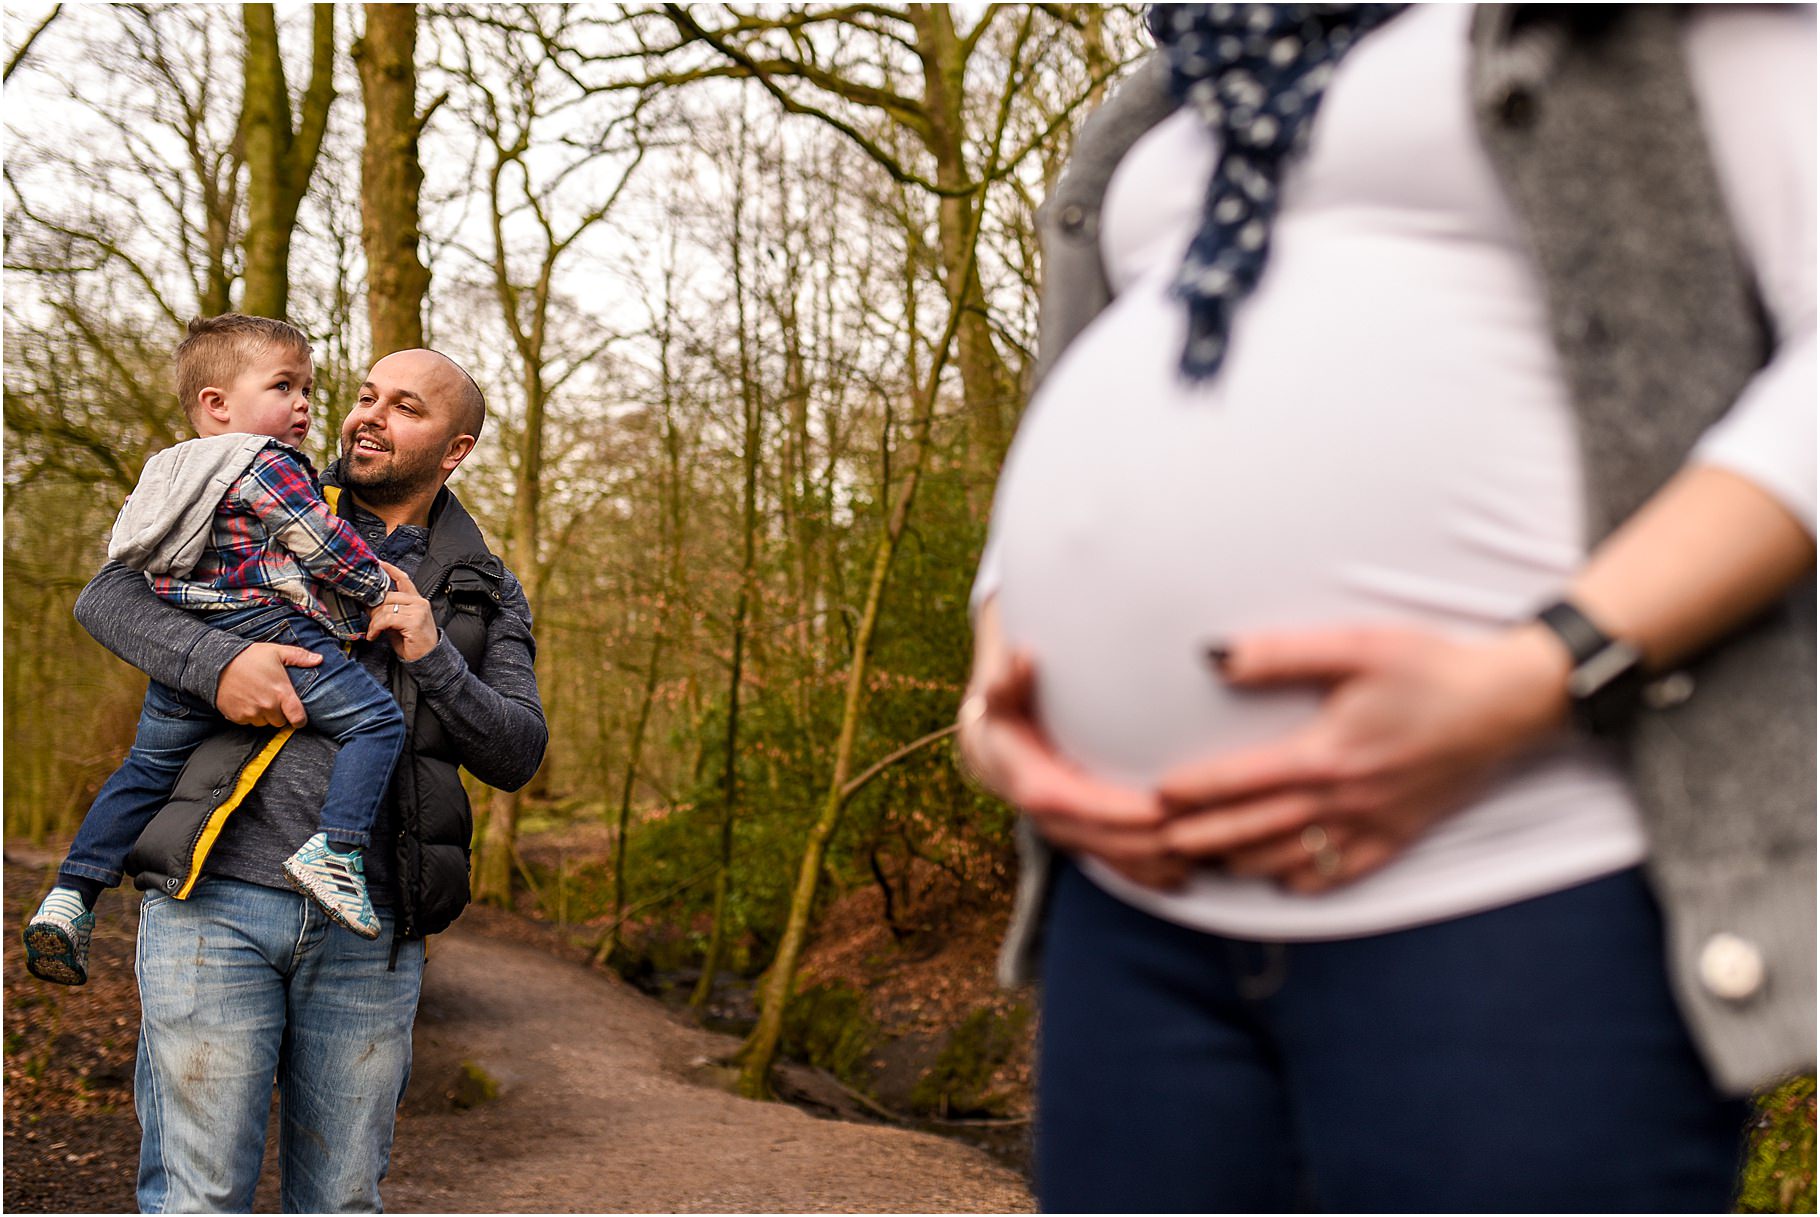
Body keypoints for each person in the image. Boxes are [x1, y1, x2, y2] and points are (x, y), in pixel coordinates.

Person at [958, 4, 1814, 1212]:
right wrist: (1001, 681)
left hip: (1517, 878)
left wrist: (1537, 668)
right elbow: (1087, 388)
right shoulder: (1180, 90)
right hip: (1132, 919)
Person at [73, 345, 547, 1212]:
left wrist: (435, 656)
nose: (367, 413)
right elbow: (106, 597)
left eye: (405, 406)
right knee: (197, 1194)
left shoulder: (485, 589)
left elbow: (517, 751)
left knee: (339, 1200)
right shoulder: (250, 483)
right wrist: (222, 666)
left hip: (371, 926)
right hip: (214, 898)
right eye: (366, 394)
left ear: (456, 449)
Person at [27, 315, 404, 984]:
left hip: (185, 652)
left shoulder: (170, 471)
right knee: (377, 721)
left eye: (308, 388)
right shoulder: (268, 461)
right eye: (284, 385)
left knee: (144, 773)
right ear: (217, 404)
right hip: (271, 629)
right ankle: (336, 850)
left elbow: (134, 558)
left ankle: (70, 896)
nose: (304, 404)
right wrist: (378, 589)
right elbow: (319, 542)